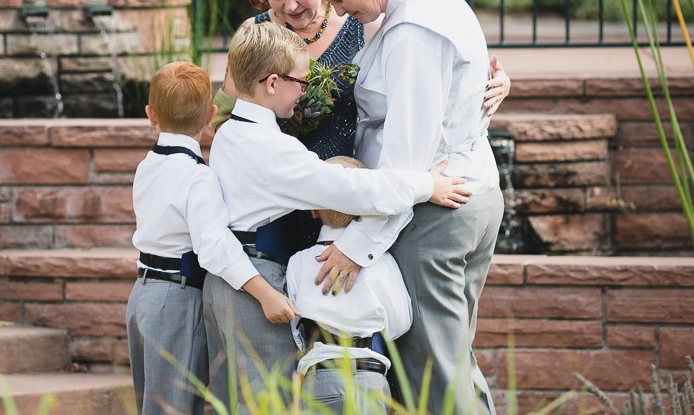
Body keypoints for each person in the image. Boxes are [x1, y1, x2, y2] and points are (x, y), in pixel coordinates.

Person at [292, 0, 505, 414]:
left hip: (435, 216)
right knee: (453, 360)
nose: (338, 9)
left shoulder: (413, 31)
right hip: (463, 197)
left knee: (432, 375)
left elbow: (408, 164)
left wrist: (357, 246)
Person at [202, 21, 472, 412]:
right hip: (254, 285)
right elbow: (352, 189)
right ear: (272, 83)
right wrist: (425, 186)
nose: (306, 89)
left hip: (227, 283)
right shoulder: (271, 149)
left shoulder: (230, 132)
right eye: (301, 80)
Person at [214, 0, 511, 247]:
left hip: (352, 202)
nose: (290, 6)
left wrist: (494, 79)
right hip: (275, 200)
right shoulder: (253, 36)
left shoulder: (365, 23)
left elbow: (429, 68)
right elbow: (222, 124)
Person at [125, 62, 298, 415]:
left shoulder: (146, 165)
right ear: (211, 115)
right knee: (172, 406)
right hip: (177, 298)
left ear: (150, 115)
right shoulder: (197, 177)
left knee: (152, 405)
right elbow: (214, 248)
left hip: (142, 295)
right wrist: (265, 293)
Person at [287, 155, 412, 414]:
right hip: (372, 378)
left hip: (321, 377)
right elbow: (401, 323)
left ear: (313, 209)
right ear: (364, 211)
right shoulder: (381, 262)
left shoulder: (298, 262)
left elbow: (295, 324)